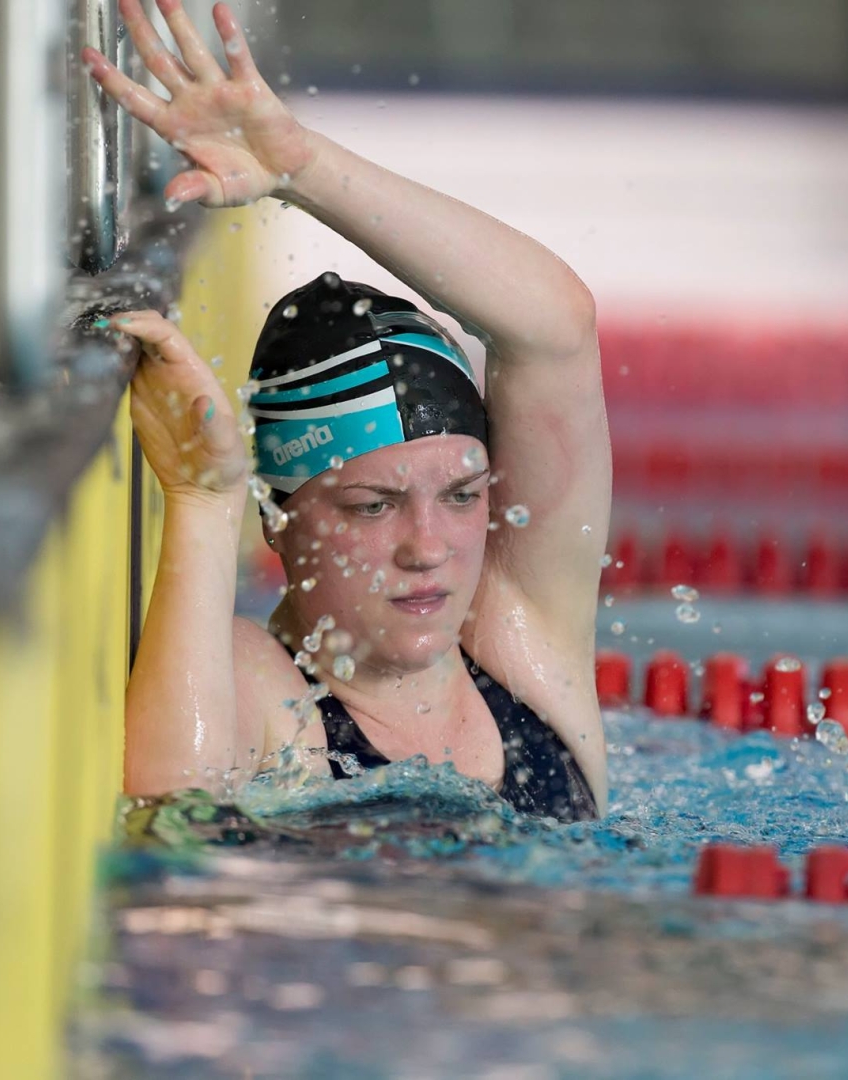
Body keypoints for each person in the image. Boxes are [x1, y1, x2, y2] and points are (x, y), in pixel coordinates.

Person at [86, 0, 610, 821]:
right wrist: (204, 501)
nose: (428, 548)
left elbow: (558, 330)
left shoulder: (523, 646)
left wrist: (301, 168)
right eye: (372, 505)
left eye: (461, 495)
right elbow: (174, 815)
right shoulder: (265, 687)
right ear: (277, 518)